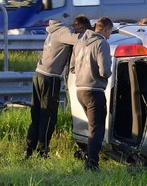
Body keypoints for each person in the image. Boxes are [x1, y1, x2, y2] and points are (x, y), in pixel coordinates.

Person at [24, 15, 92, 159]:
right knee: (48, 116)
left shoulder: (53, 30)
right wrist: (94, 34)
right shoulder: (64, 31)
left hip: (38, 74)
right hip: (50, 77)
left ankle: (28, 150)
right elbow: (81, 40)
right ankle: (43, 152)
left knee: (36, 115)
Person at [71, 17, 114, 171]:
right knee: (97, 129)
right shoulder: (102, 43)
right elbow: (105, 71)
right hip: (95, 91)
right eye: (110, 33)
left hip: (80, 91)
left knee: (92, 127)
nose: (109, 36)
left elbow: (72, 67)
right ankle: (92, 164)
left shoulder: (80, 42)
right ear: (106, 29)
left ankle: (90, 159)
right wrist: (107, 73)